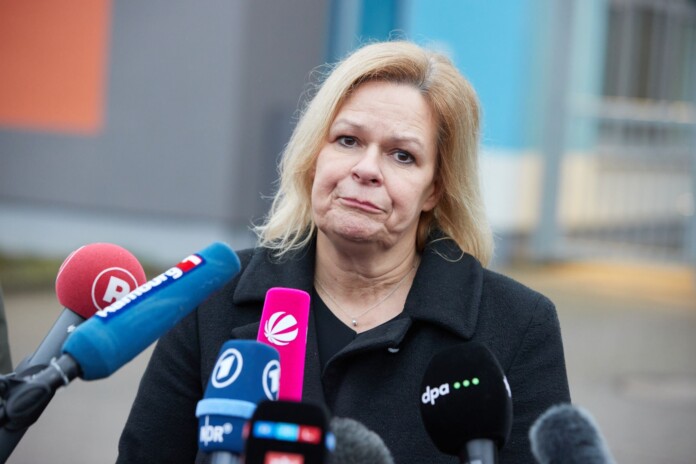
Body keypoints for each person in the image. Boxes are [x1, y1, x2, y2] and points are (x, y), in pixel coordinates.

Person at [117, 40, 570, 463]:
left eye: (402, 155)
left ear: (434, 189)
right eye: (348, 140)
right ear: (315, 156)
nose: (366, 169)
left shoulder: (519, 325)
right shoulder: (210, 296)